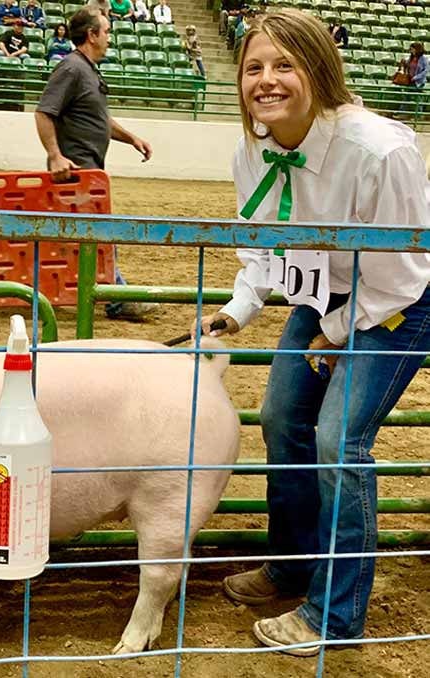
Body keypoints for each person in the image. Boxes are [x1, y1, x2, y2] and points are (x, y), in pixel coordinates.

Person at [198, 8, 430, 655]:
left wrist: (334, 333)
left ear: (317, 70)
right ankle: (292, 566)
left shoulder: (380, 150)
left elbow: (400, 271)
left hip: (399, 297)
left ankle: (336, 614)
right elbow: (263, 246)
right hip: (322, 289)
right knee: (279, 416)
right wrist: (237, 310)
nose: (265, 81)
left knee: (338, 437)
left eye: (283, 65)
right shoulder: (254, 148)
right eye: (253, 67)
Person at [34, 6, 155, 321]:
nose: (110, 37)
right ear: (91, 35)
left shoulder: (87, 70)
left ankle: (111, 293)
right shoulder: (72, 69)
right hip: (76, 171)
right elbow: (44, 112)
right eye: (106, 31)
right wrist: (55, 155)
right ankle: (117, 297)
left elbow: (100, 120)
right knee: (98, 234)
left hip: (89, 171)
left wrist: (132, 138)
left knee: (91, 234)